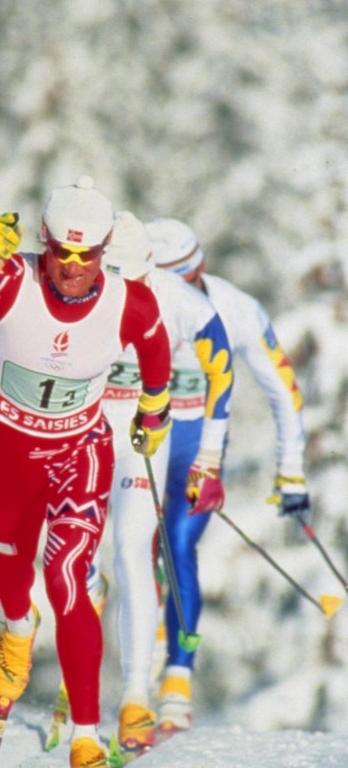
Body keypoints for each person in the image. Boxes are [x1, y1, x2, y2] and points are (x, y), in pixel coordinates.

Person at [0, 177, 173, 768]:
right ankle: (16, 622)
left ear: (106, 250)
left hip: (78, 454)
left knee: (66, 575)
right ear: (44, 241)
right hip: (6, 457)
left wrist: (154, 409)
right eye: (63, 251)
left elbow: (155, 349)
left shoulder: (127, 301)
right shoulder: (8, 280)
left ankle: (86, 736)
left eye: (88, 254)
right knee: (8, 568)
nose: (74, 266)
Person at [144, 217, 310, 736]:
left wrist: (291, 473)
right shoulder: (132, 299)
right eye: (168, 282)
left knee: (177, 545)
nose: (181, 295)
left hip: (199, 447)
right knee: (131, 547)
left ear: (201, 269)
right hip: (141, 441)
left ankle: (177, 679)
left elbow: (283, 390)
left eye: (188, 281)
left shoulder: (236, 308)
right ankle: (139, 657)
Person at [101, 211, 234, 756]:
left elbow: (230, 379)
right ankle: (82, 682)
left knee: (155, 547)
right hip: (95, 426)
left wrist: (209, 458)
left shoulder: (195, 305)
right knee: (78, 557)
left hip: (159, 435)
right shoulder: (89, 285)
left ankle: (157, 687)